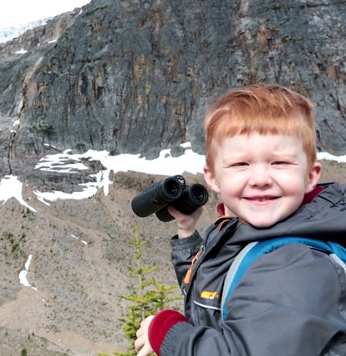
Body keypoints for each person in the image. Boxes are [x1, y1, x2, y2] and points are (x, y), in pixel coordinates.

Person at [134, 84, 346, 355]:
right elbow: (216, 289)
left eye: (279, 162)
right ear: (212, 178)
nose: (259, 180)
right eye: (240, 164)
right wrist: (187, 232)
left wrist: (168, 333)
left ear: (311, 175)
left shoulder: (295, 263)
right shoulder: (253, 229)